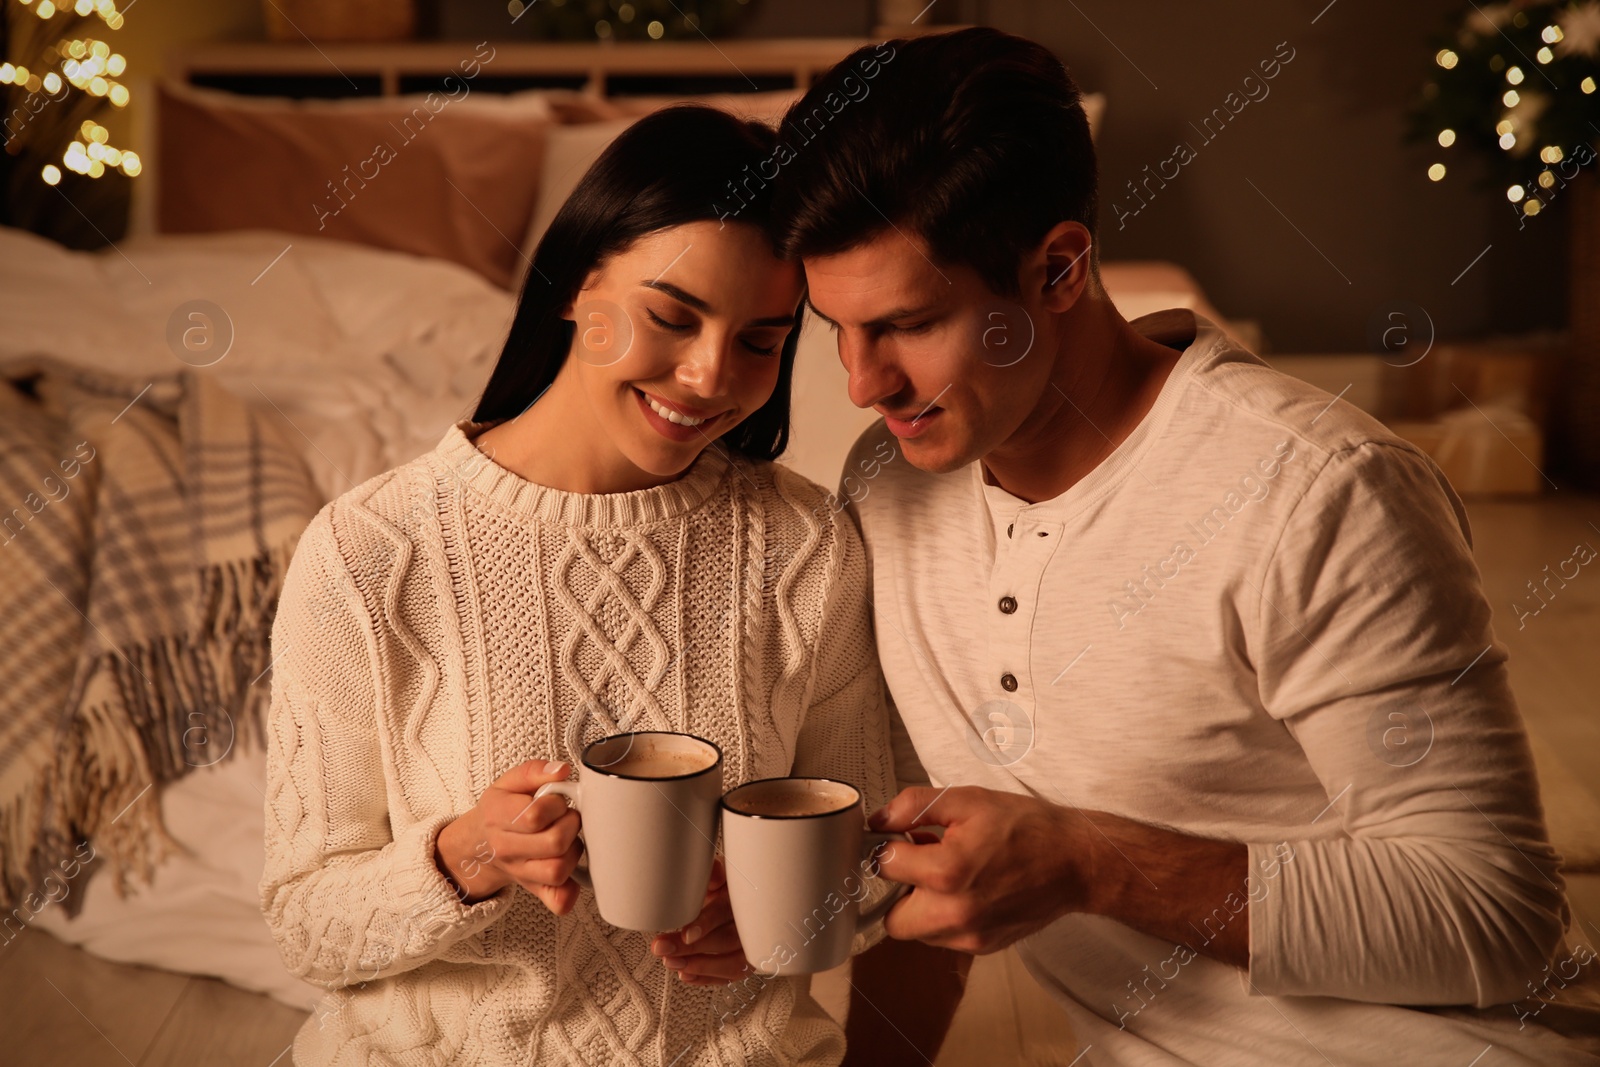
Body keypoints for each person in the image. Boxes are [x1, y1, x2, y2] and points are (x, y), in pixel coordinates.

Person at [771, 27, 1600, 1067]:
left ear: (1060, 268)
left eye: (909, 322)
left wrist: (1087, 862)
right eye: (835, 328)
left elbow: (1492, 913)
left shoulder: (1317, 491)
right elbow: (928, 870)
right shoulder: (885, 484)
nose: (863, 383)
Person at [261, 104, 896, 1066]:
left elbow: (879, 859)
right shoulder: (369, 552)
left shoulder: (807, 547)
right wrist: (466, 855)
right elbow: (307, 925)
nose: (708, 376)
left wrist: (788, 914)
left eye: (761, 340)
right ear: (572, 285)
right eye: (671, 316)